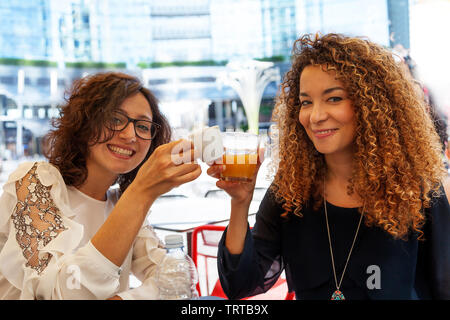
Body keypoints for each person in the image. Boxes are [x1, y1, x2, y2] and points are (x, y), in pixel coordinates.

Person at [208, 33, 450, 300]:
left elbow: (443, 286)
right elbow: (239, 284)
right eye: (306, 102)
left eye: (334, 98)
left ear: (372, 105)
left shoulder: (416, 191)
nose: (316, 116)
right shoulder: (291, 192)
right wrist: (240, 203)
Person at [0, 72, 201, 299]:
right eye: (115, 119)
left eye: (143, 126)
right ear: (84, 123)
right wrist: (141, 190)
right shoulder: (35, 181)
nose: (130, 135)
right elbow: (58, 292)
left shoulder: (120, 204)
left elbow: (176, 277)